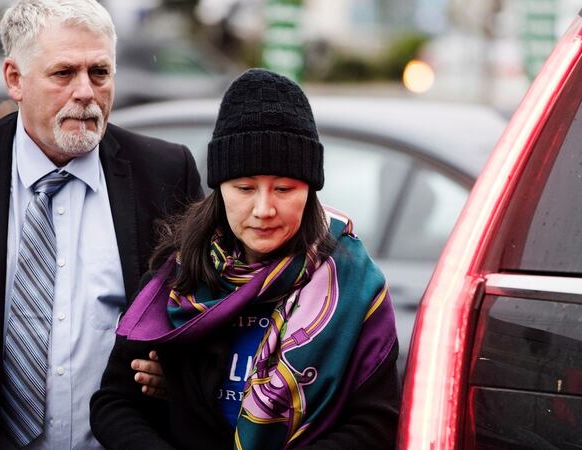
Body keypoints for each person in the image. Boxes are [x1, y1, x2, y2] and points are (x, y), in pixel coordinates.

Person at [0, 0, 201, 448]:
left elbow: (207, 313)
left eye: (100, 73)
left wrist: (181, 372)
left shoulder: (165, 172)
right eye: (64, 73)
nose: (85, 92)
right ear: (15, 79)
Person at [90, 68, 399, 449]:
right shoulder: (179, 274)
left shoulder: (353, 285)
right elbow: (115, 403)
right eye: (244, 188)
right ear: (219, 188)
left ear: (310, 189)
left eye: (284, 188)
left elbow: (376, 423)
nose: (263, 209)